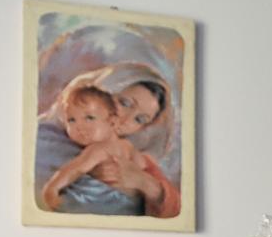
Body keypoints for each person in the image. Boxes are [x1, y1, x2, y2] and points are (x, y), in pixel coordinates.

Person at [35, 62, 180, 217]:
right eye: (125, 103)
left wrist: (143, 182)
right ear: (104, 90)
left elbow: (176, 210)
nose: (125, 119)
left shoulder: (131, 152)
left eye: (139, 119)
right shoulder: (45, 135)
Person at [41, 87, 149, 210]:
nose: (79, 126)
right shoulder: (127, 146)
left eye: (89, 118)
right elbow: (142, 166)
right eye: (71, 120)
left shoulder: (98, 149)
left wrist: (52, 188)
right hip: (132, 202)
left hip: (112, 201)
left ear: (113, 122)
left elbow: (74, 169)